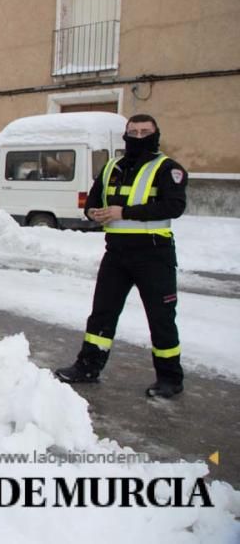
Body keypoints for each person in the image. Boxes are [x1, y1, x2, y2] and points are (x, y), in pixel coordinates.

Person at [55, 114, 188, 399]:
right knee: (102, 312)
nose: (138, 137)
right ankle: (88, 367)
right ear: (125, 135)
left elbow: (174, 206)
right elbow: (92, 202)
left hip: (154, 253)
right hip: (116, 252)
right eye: (133, 132)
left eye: (145, 132)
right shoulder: (112, 167)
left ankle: (170, 378)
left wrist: (122, 212)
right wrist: (93, 213)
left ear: (155, 134)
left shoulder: (168, 169)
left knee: (160, 317)